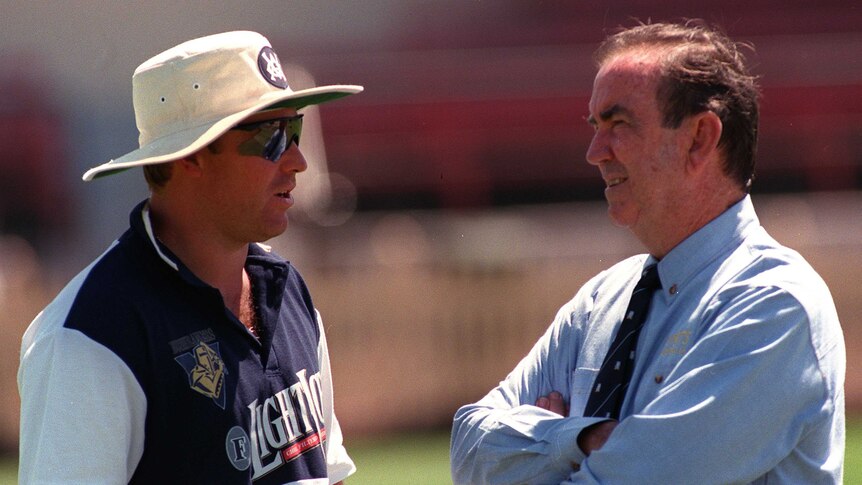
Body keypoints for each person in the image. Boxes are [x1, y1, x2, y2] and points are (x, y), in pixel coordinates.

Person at [450, 20, 844, 484]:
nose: (595, 152)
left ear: (700, 138)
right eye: (596, 126)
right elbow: (469, 456)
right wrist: (580, 440)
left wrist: (540, 449)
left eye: (619, 124)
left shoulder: (773, 304)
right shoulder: (602, 299)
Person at [18, 31, 362, 484]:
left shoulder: (286, 288)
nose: (297, 160)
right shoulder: (89, 335)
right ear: (192, 156)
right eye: (270, 137)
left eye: (293, 128)